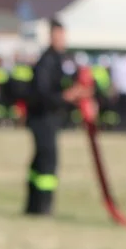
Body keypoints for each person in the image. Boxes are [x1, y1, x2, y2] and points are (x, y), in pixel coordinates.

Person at [24, 19, 90, 216]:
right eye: (58, 35)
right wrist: (68, 96)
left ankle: (34, 206)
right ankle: (43, 207)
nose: (62, 40)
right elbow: (43, 94)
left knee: (40, 160)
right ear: (51, 36)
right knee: (47, 161)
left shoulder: (63, 60)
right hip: (41, 117)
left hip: (52, 118)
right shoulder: (46, 61)